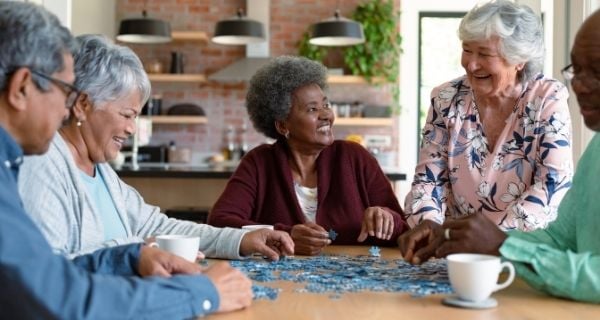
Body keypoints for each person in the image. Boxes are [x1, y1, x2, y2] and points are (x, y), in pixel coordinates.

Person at [0, 2, 258, 319]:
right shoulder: (34, 165)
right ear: (22, 88)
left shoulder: (21, 164)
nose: (65, 109)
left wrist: (131, 256)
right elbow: (55, 296)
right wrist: (201, 292)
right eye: (63, 92)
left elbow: (47, 275)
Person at [18, 34, 294, 261]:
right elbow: (46, 271)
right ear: (82, 105)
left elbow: (158, 228)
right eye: (126, 115)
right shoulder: (42, 164)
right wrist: (136, 251)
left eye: (135, 117)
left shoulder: (100, 171)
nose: (131, 129)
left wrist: (243, 239)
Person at [400, 8, 600, 304]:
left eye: (484, 53)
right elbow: (428, 179)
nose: (471, 62)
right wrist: (431, 226)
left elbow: (550, 188)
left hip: (517, 263)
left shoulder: (546, 98)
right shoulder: (446, 99)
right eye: (467, 50)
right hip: (457, 259)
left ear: (518, 60)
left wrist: (497, 245)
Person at [208, 55, 409, 255]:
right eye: (312, 109)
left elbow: (403, 230)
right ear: (283, 125)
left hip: (356, 279)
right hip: (280, 281)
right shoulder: (259, 163)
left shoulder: (355, 157)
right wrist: (285, 236)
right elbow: (219, 223)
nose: (326, 115)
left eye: (326, 105)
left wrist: (386, 217)